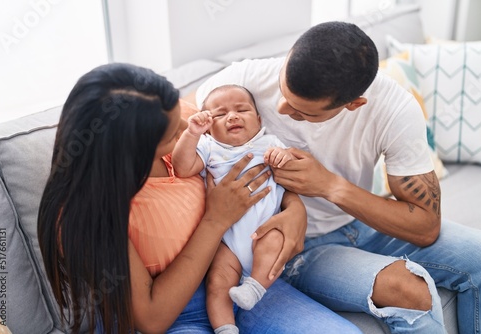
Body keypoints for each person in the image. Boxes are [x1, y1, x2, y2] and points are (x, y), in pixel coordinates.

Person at [195, 21, 481, 334]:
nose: (282, 109)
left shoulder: (394, 109)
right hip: (296, 246)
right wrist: (294, 211)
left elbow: (426, 226)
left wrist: (328, 186)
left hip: (362, 221)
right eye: (283, 93)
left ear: (354, 104)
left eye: (303, 113)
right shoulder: (241, 80)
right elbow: (182, 124)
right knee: (408, 289)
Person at [37, 63, 362, 334]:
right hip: (178, 313)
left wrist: (294, 208)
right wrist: (215, 219)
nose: (186, 125)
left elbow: (254, 158)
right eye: (172, 133)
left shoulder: (183, 122)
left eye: (179, 114)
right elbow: (151, 318)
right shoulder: (87, 214)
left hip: (245, 276)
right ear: (131, 152)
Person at [172, 84, 298, 333]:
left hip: (265, 231)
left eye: (242, 109)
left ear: (259, 119)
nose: (232, 116)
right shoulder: (209, 148)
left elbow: (293, 171)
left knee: (275, 240)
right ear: (209, 125)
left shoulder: (270, 143)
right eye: (219, 114)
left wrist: (284, 159)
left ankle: (254, 288)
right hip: (226, 242)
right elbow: (183, 167)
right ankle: (225, 328)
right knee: (217, 283)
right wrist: (192, 133)